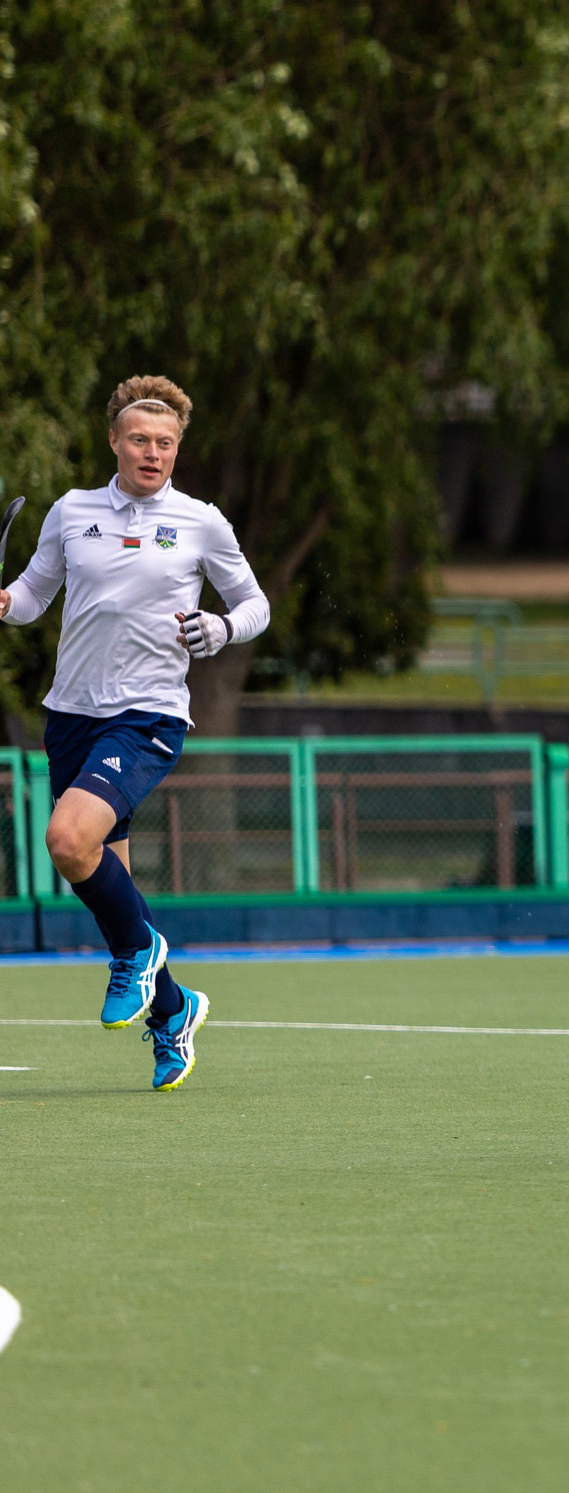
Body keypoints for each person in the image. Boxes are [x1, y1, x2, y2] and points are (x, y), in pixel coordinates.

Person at [0, 377, 269, 1091]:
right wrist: (4, 602)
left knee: (67, 840)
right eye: (141, 440)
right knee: (102, 874)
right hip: (71, 715)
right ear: (115, 442)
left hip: (147, 714)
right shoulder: (72, 510)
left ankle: (139, 955)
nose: (154, 452)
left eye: (166, 443)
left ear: (177, 449)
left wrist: (220, 627)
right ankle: (174, 1011)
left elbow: (255, 604)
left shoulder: (201, 520)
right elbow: (34, 593)